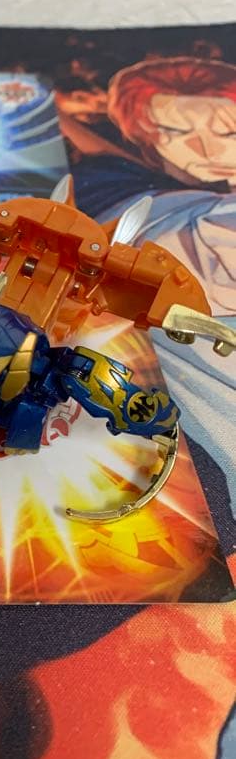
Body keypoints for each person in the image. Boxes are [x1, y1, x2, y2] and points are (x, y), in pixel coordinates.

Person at [61, 56, 236, 520]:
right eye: (173, 131)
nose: (204, 148)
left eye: (228, 132)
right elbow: (106, 155)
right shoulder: (134, 176)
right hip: (126, 242)